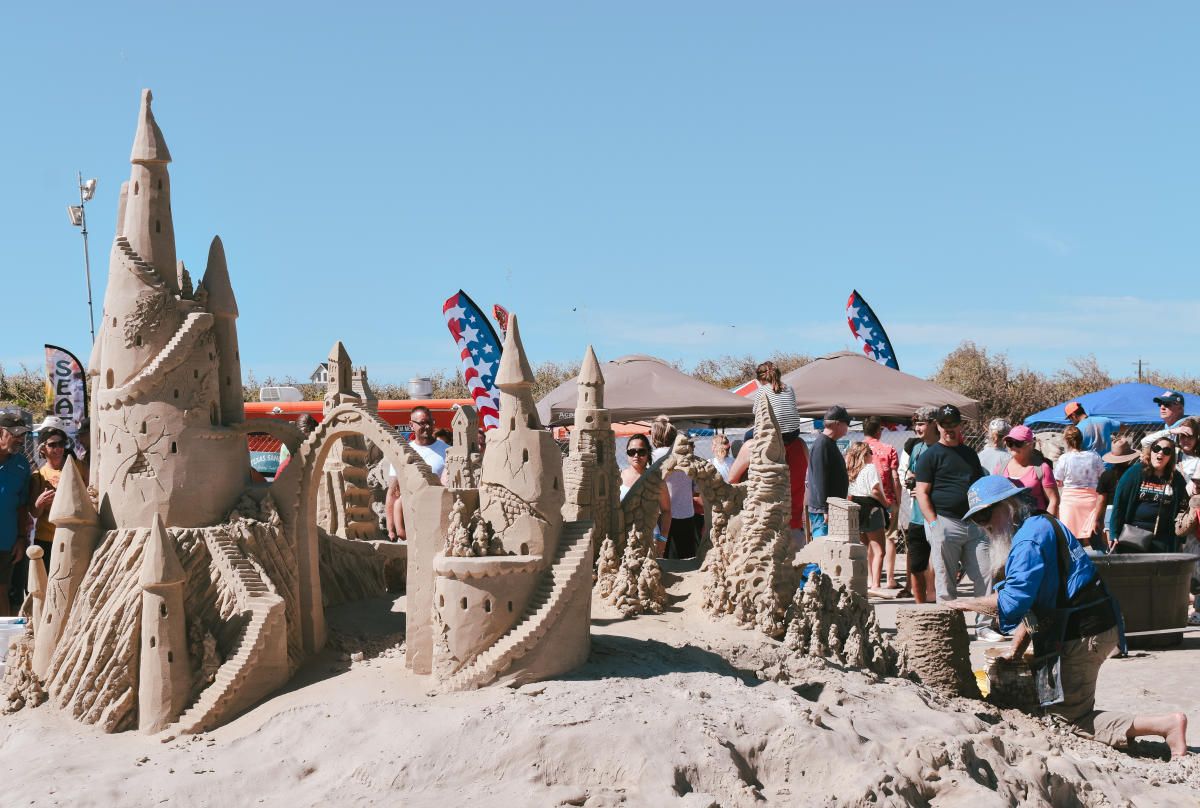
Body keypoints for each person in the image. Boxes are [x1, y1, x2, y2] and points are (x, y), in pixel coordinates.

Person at [949, 476, 1188, 758]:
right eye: (977, 519)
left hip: (1084, 632)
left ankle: (1166, 726)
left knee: (1071, 719)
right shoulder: (1039, 523)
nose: (984, 525)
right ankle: (1125, 736)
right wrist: (1015, 651)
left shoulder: (1028, 541)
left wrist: (966, 604)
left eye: (986, 514)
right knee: (1063, 702)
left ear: (1009, 506)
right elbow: (1039, 602)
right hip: (1090, 625)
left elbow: (1013, 602)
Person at [914, 404, 998, 639]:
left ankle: (984, 627)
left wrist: (986, 520)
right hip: (944, 521)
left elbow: (979, 487)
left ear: (960, 424)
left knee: (986, 573)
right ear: (938, 426)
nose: (949, 429)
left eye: (953, 424)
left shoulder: (970, 454)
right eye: (945, 424)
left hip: (973, 524)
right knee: (945, 578)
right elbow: (922, 492)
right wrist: (933, 523)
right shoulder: (930, 455)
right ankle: (949, 627)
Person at [755, 361, 809, 549]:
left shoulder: (762, 391)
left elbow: (759, 416)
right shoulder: (790, 388)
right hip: (793, 434)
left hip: (776, 436)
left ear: (760, 379)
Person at [1110, 437, 1188, 553]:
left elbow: (1183, 509)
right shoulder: (1135, 473)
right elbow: (1119, 504)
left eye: (1166, 451)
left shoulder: (1177, 479)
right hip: (1134, 535)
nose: (1160, 452)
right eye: (1157, 449)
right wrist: (1114, 533)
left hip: (1163, 539)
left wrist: (1181, 538)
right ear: (1151, 452)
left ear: (1170, 457)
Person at [386, 407, 449, 541]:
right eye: (422, 423)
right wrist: (391, 530)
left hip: (437, 519)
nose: (427, 426)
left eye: (430, 422)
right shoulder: (403, 453)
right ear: (411, 425)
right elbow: (392, 492)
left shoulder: (447, 451)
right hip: (409, 523)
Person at [899, 407, 939, 603]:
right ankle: (919, 609)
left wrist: (927, 488)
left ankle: (941, 606)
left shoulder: (945, 447)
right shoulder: (917, 448)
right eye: (915, 424)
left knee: (941, 565)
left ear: (934, 423)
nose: (917, 428)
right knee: (916, 565)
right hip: (917, 516)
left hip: (939, 516)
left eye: (921, 423)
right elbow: (909, 472)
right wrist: (911, 480)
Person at [27, 421, 77, 574]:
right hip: (46, 540)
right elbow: (35, 513)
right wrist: (39, 503)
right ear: (43, 448)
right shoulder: (39, 476)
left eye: (61, 444)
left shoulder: (77, 467)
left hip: (73, 537)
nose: (58, 449)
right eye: (53, 445)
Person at [651, 415, 698, 559]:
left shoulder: (655, 456)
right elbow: (695, 487)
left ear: (655, 435)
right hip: (687, 512)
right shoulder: (687, 455)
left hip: (665, 516)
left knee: (665, 560)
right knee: (687, 557)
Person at [0, 413, 32, 617]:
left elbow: (23, 507)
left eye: (23, 435)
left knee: (2, 591)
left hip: (7, 542)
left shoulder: (22, 464)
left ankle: (2, 646)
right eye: (15, 434)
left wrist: (21, 539)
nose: (20, 439)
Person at [862, 416, 900, 587]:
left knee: (869, 540)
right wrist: (897, 500)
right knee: (890, 538)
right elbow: (895, 477)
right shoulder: (888, 449)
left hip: (865, 500)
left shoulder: (856, 449)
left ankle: (871, 577)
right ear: (879, 430)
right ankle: (890, 578)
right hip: (887, 498)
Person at [619, 433, 672, 555]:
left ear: (648, 453)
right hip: (623, 539)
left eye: (641, 452)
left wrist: (662, 540)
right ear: (627, 454)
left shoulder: (656, 480)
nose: (636, 455)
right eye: (632, 452)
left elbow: (666, 511)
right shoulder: (618, 478)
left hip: (650, 540)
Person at [1053, 425, 1105, 547]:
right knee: (1095, 537)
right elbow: (1102, 476)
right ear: (1082, 439)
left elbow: (1058, 481)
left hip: (1070, 503)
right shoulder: (1094, 456)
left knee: (1071, 538)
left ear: (1066, 441)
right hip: (1091, 501)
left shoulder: (1064, 458)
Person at [846, 442, 888, 590]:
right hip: (871, 507)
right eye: (870, 451)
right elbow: (875, 490)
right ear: (865, 454)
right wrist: (886, 504)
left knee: (865, 548)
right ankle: (876, 584)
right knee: (880, 551)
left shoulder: (851, 470)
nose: (872, 454)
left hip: (857, 508)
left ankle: (867, 580)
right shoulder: (869, 468)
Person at [805, 405, 850, 538]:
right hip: (823, 512)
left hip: (831, 508)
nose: (847, 429)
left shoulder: (829, 443)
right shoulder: (822, 445)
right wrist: (825, 509)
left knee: (831, 553)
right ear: (837, 424)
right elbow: (820, 479)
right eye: (846, 424)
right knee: (821, 553)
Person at [1093, 438, 1141, 552]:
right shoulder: (1135, 474)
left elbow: (1101, 500)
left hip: (1110, 512)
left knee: (1111, 547)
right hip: (1129, 510)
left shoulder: (1106, 475)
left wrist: (1096, 519)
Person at [1000, 425, 1059, 516]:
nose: (1013, 446)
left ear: (1030, 445)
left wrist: (1045, 525)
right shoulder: (1000, 468)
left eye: (1018, 443)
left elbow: (1053, 500)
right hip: (1009, 527)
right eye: (1009, 442)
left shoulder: (1042, 468)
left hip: (1035, 525)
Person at [1169, 419, 1200, 494]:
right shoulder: (1171, 452)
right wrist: (1170, 431)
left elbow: (1191, 490)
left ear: (1196, 438)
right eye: (1183, 435)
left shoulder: (1198, 461)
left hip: (1183, 497)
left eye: (1190, 436)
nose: (1186, 439)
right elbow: (1145, 442)